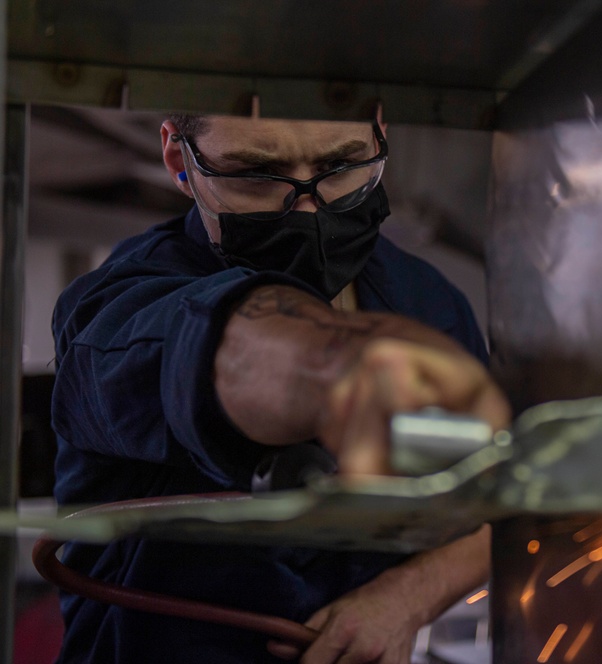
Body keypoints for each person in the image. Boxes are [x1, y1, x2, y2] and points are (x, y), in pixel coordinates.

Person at [49, 107, 510, 663]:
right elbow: (215, 349)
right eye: (257, 176)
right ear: (179, 158)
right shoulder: (114, 314)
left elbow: (499, 508)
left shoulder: (429, 303)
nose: (308, 208)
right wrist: (328, 370)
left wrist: (403, 598)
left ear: (381, 131)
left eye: (340, 165)